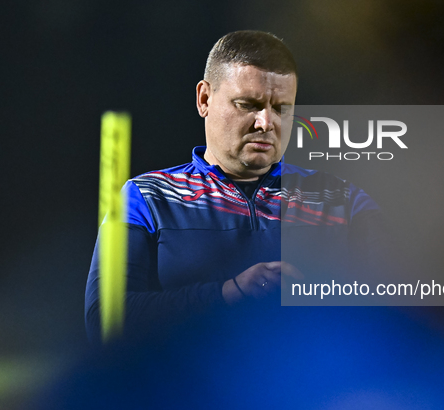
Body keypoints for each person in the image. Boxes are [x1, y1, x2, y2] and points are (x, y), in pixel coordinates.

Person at [85, 30, 383, 342]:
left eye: (282, 108)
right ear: (204, 99)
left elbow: (404, 308)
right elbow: (103, 320)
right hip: (188, 390)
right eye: (248, 104)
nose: (266, 123)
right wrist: (228, 293)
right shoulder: (146, 197)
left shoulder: (346, 200)